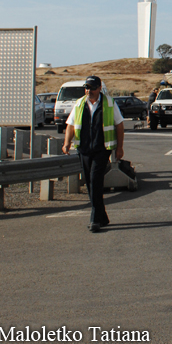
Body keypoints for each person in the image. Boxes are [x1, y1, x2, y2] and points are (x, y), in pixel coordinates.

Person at [61, 76, 125, 232]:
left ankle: (94, 219)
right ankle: (102, 216)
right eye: (87, 87)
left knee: (95, 180)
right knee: (90, 183)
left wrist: (120, 148)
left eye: (92, 88)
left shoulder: (109, 104)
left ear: (99, 88)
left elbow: (119, 125)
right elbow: (70, 125)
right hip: (84, 149)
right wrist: (66, 143)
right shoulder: (79, 104)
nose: (89, 91)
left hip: (102, 149)